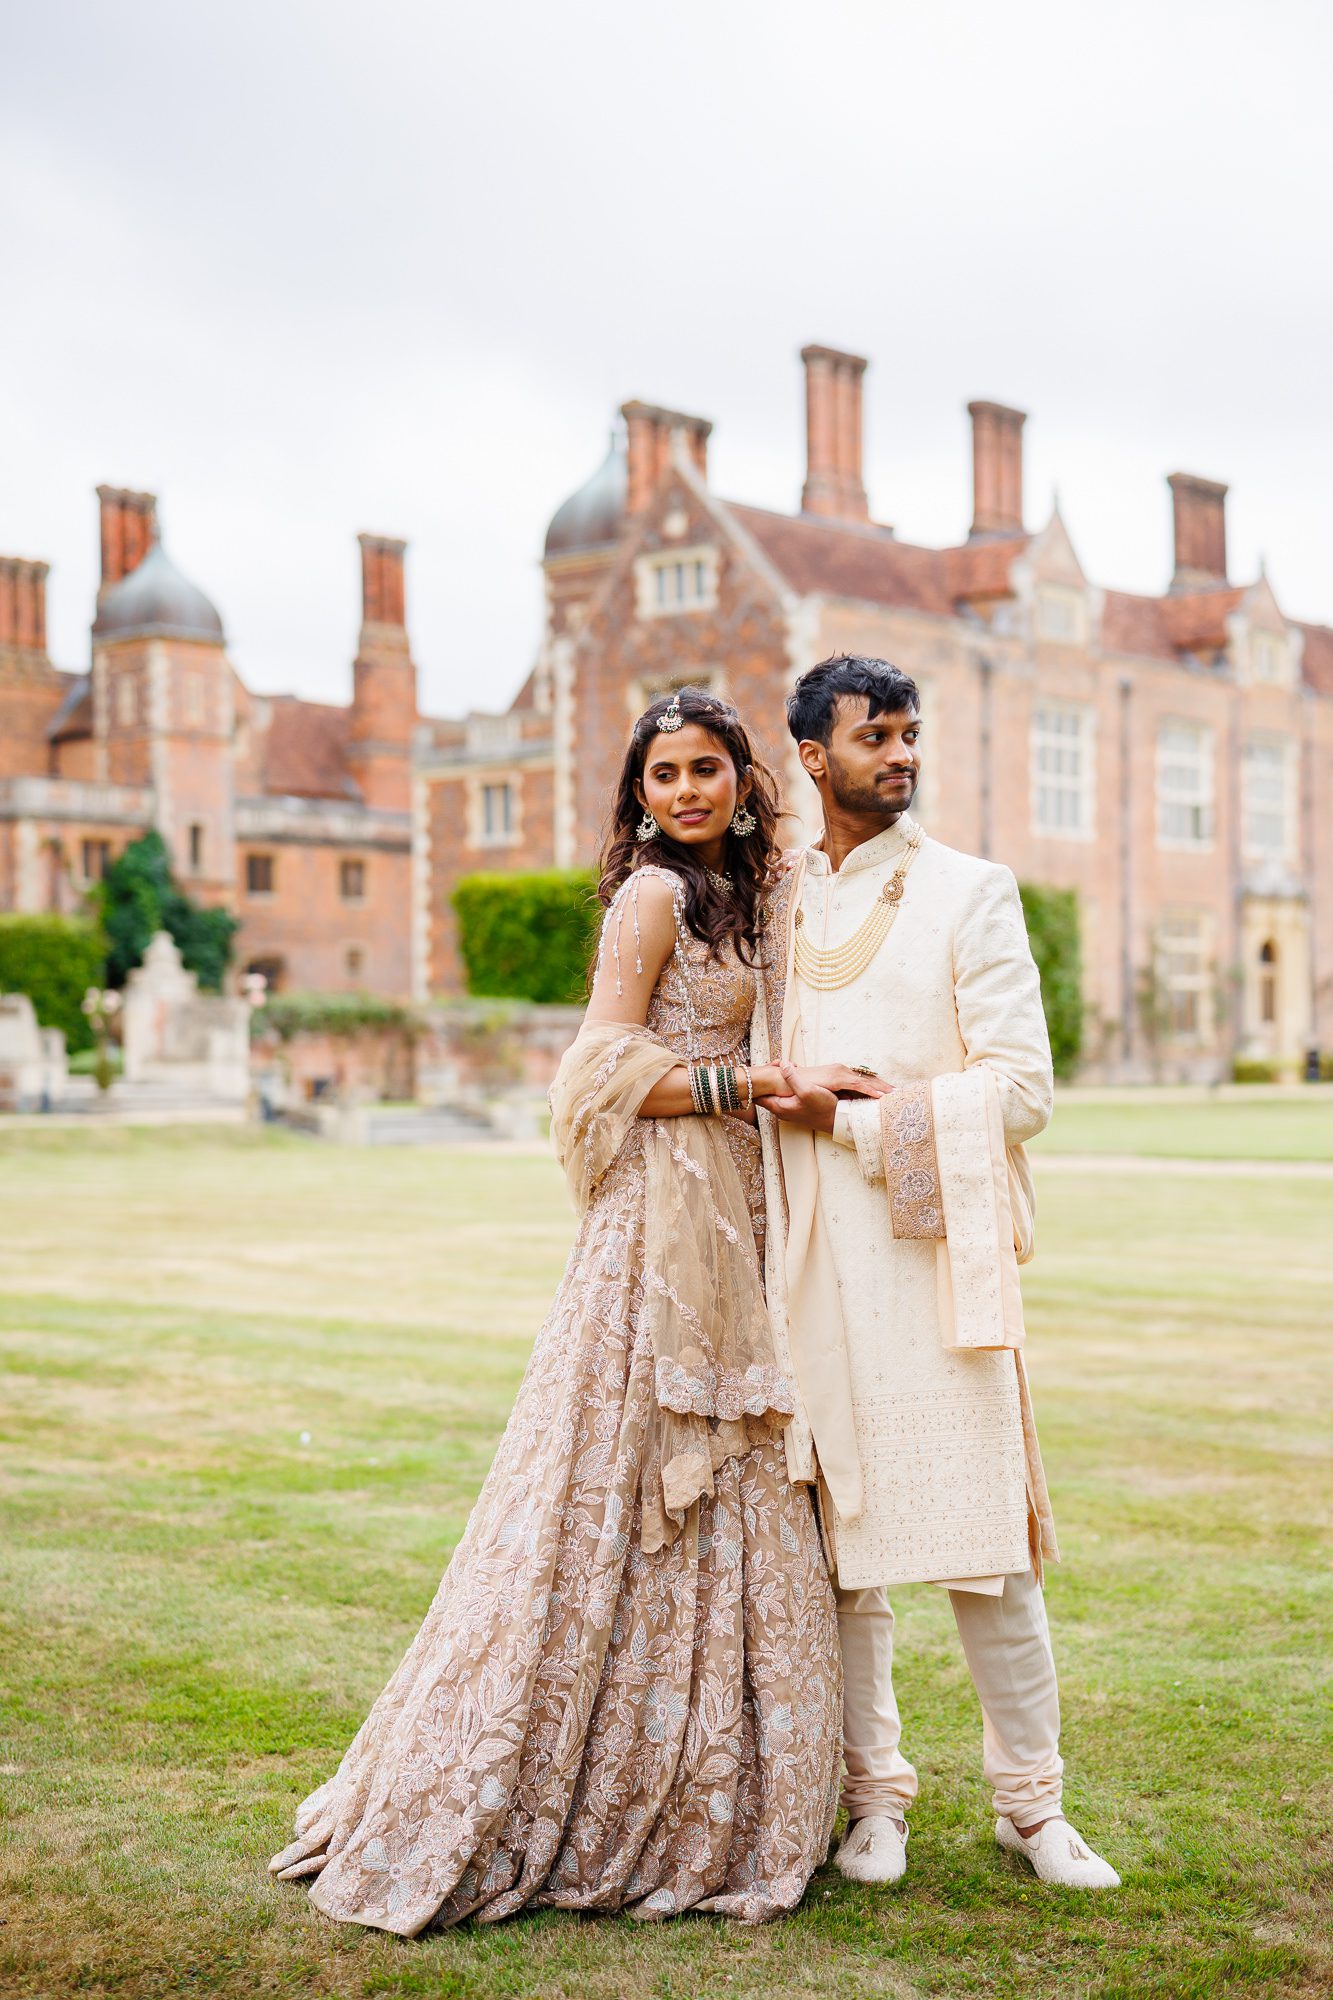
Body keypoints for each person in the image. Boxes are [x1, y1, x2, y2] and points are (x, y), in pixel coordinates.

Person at [269, 686, 870, 1934]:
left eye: (707, 768)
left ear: (744, 777)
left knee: (749, 1476)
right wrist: (747, 1082)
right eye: (663, 776)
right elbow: (594, 1068)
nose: (687, 791)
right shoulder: (651, 896)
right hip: (661, 1220)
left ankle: (742, 1776)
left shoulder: (763, 893)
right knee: (617, 1466)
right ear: (637, 795)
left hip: (744, 1211)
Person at [752, 654, 1120, 1892]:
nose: (901, 755)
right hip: (806, 1262)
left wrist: (851, 1121)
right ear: (814, 757)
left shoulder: (971, 889)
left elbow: (1021, 1091)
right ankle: (875, 1801)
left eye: (913, 734)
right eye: (877, 736)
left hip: (938, 1256)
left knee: (986, 1545)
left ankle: (1033, 1805)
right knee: (844, 1545)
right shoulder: (772, 903)